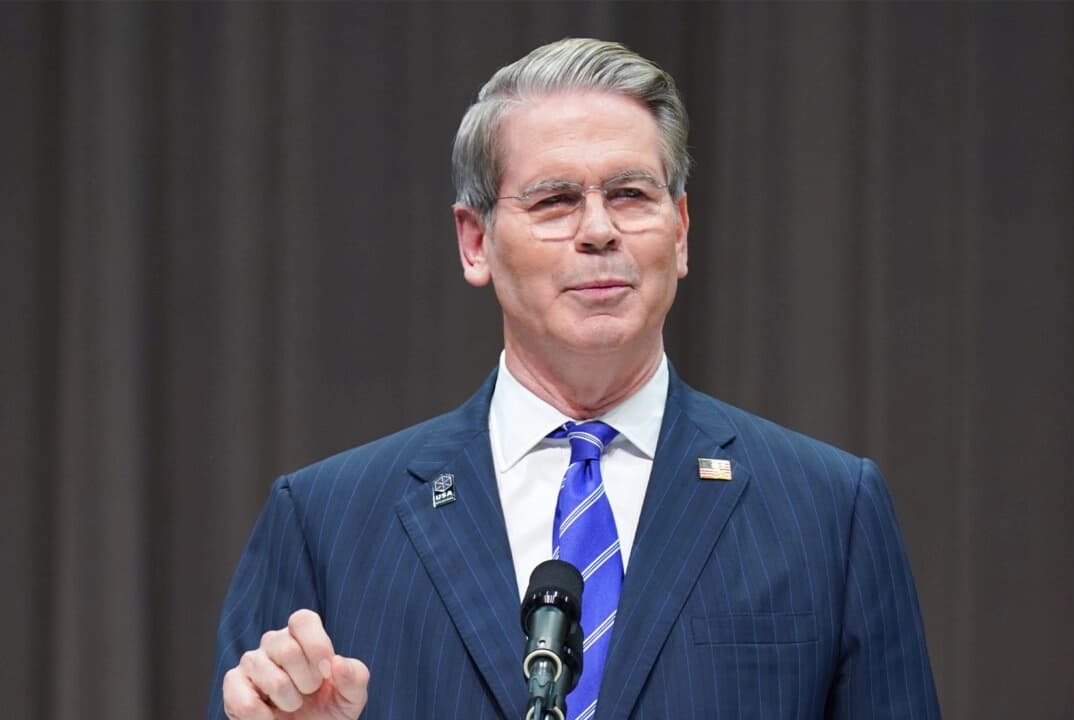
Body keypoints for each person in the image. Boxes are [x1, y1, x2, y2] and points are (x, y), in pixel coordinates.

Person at [211, 38, 940, 720]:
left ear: (680, 233)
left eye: (630, 194)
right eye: (556, 200)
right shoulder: (327, 523)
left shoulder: (827, 511)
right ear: (476, 242)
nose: (599, 230)